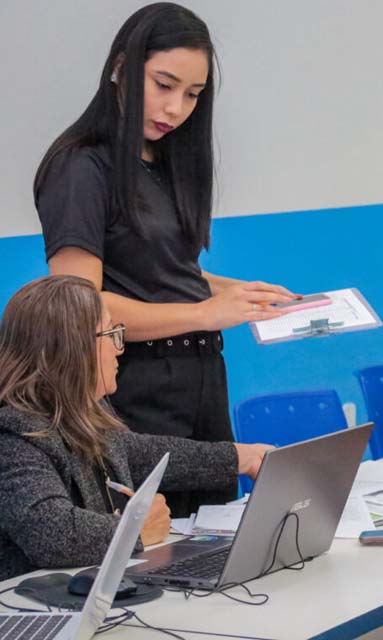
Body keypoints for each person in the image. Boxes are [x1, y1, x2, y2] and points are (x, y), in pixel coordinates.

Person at [33, 3, 296, 516]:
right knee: (153, 559)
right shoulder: (81, 166)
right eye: (164, 84)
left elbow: (160, 268)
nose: (176, 107)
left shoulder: (165, 160)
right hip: (132, 394)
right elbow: (79, 309)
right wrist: (203, 312)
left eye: (193, 95)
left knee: (214, 546)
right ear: (121, 68)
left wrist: (231, 292)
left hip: (200, 384)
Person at [0, 276, 272, 581]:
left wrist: (240, 457)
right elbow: (50, 532)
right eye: (112, 334)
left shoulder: (84, 414)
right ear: (74, 349)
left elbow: (140, 453)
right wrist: (134, 530)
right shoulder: (15, 435)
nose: (120, 349)